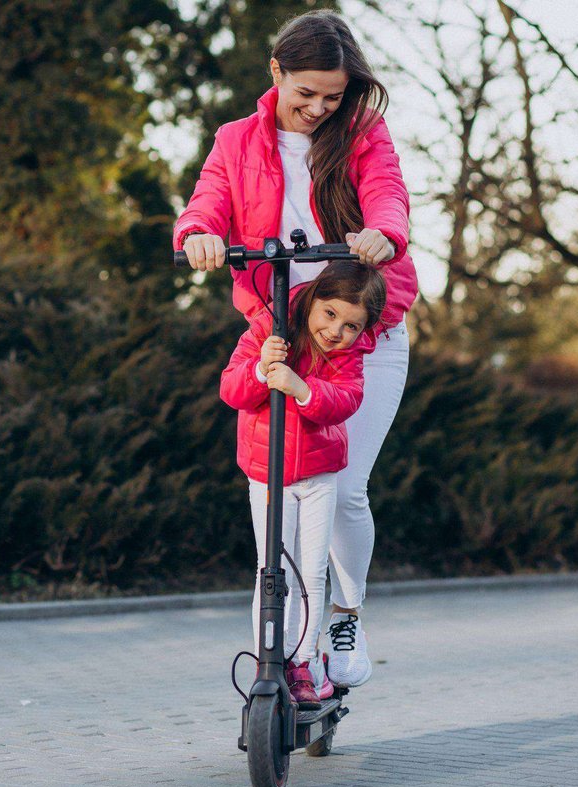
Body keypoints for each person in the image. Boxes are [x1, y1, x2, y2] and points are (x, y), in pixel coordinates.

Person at [175, 10, 417, 688]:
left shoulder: (362, 135)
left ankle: (345, 614)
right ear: (275, 70)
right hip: (284, 339)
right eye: (305, 92)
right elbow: (208, 202)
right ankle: (285, 652)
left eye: (332, 97)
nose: (317, 108)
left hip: (363, 339)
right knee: (280, 502)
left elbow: (388, 195)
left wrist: (383, 234)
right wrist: (198, 232)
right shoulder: (236, 140)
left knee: (343, 494)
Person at [220, 262, 386, 707]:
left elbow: (345, 400)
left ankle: (305, 662)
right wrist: (261, 369)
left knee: (311, 571)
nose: (337, 331)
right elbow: (231, 390)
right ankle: (269, 659)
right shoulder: (267, 330)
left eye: (352, 325)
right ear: (313, 298)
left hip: (318, 476)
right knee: (271, 570)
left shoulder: (347, 356)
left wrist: (300, 387)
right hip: (267, 475)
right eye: (330, 314)